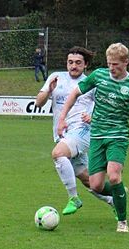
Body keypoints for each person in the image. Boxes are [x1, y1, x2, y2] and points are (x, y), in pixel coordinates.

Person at [57, 43, 129, 233]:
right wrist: (62, 118)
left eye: (115, 64)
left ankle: (122, 222)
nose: (111, 68)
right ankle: (119, 192)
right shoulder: (99, 76)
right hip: (97, 136)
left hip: (118, 137)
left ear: (126, 62)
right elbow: (75, 93)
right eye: (109, 64)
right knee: (96, 185)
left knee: (113, 176)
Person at [35, 46, 113, 216]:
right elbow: (38, 103)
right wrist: (49, 90)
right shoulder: (56, 77)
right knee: (88, 179)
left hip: (83, 130)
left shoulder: (91, 83)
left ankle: (73, 198)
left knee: (58, 154)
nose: (73, 66)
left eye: (78, 63)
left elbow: (105, 107)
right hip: (62, 134)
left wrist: (92, 116)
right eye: (70, 62)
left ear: (85, 65)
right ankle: (116, 200)